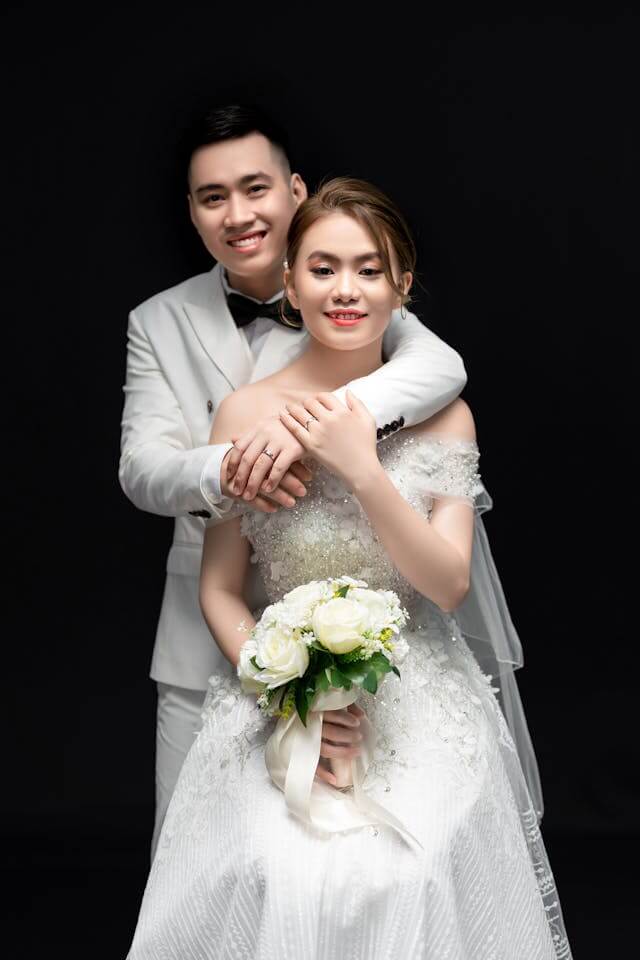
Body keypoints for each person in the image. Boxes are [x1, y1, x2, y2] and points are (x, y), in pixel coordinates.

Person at [127, 178, 572, 959]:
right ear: (291, 283)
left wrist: (362, 468)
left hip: (417, 696)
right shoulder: (245, 413)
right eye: (323, 268)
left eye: (370, 270)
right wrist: (284, 689)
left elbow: (449, 585)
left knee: (409, 873)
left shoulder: (448, 414)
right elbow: (221, 589)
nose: (346, 289)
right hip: (279, 693)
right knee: (281, 873)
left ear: (403, 285)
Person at [119, 105, 468, 859]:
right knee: (195, 864)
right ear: (192, 210)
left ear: (295, 189)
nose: (238, 214)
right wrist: (234, 464)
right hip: (213, 639)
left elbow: (444, 368)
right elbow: (140, 470)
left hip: (383, 657)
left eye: (256, 188)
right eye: (213, 197)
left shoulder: (358, 295)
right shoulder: (157, 321)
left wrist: (324, 427)